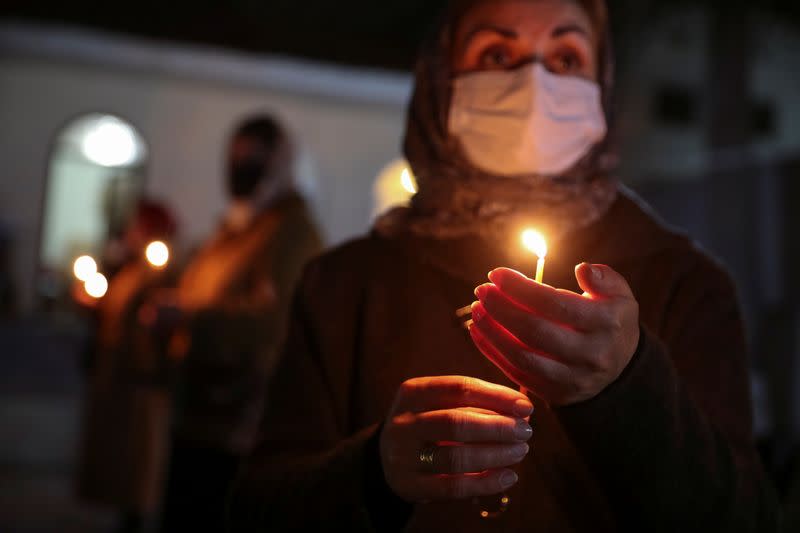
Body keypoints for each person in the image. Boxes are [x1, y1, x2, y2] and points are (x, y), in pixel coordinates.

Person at [229, 1, 782, 531]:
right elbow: (258, 513)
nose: (534, 82)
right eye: (497, 55)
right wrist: (375, 471)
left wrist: (625, 389)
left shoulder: (684, 283)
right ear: (440, 79)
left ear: (605, 88)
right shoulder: (343, 286)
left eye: (566, 59)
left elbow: (740, 519)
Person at [157, 115, 323, 532]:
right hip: (198, 416)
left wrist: (192, 317)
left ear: (280, 161)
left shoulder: (292, 234)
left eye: (254, 155)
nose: (241, 164)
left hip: (241, 430)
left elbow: (277, 321)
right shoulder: (234, 230)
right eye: (236, 154)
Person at [76, 199, 178, 533]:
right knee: (121, 469)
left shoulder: (159, 273)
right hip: (118, 380)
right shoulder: (128, 270)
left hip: (142, 386)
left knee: (137, 471)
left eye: (138, 225)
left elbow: (160, 318)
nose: (131, 231)